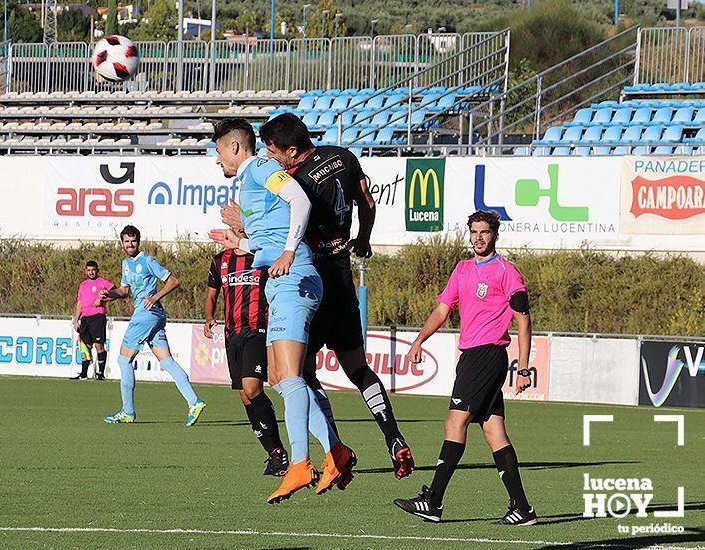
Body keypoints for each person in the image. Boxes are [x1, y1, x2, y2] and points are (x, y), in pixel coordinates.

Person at [220, 112, 415, 479]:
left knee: (295, 374)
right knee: (358, 368)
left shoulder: (296, 179)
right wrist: (363, 239)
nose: (270, 156)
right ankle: (393, 436)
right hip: (342, 277)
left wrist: (244, 225)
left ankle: (334, 449)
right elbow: (367, 204)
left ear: (292, 151)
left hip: (308, 278)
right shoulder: (343, 156)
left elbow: (290, 220)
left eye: (274, 151)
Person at [209, 118, 355, 504]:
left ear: (236, 148)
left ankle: (300, 464)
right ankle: (336, 452)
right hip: (280, 281)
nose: (218, 158)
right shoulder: (251, 181)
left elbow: (300, 200)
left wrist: (290, 249)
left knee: (289, 379)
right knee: (281, 377)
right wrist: (241, 242)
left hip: (295, 277)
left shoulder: (258, 168)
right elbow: (269, 238)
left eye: (220, 150)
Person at [394, 210, 537, 525]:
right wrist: (418, 341)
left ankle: (433, 500)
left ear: (495, 235)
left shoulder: (506, 272)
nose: (478, 238)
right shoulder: (461, 270)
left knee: (454, 423)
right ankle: (523, 508)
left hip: (488, 355)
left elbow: (524, 321)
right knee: (493, 430)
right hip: (471, 357)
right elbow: (442, 310)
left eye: (484, 232)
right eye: (474, 232)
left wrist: (524, 368)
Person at [102, 225, 207, 426]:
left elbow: (173, 281)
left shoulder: (147, 261)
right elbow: (124, 291)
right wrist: (110, 294)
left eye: (133, 241)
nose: (130, 244)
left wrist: (155, 296)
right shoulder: (125, 263)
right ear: (122, 243)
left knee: (124, 360)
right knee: (166, 361)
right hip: (154, 316)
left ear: (138, 241)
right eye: (126, 241)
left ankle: (127, 411)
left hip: (146, 314)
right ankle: (194, 402)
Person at [205, 248, 289, 476]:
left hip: (257, 329)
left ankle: (281, 454)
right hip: (232, 334)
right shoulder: (220, 260)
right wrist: (209, 317)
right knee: (244, 394)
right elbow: (212, 295)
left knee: (253, 388)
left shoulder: (262, 256)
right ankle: (274, 452)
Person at [71, 260, 116, 380]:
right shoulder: (83, 284)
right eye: (89, 270)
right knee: (85, 346)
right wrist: (76, 320)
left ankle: (100, 374)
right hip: (85, 318)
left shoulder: (102, 282)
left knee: (99, 345)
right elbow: (79, 303)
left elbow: (116, 292)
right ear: (86, 271)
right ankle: (83, 374)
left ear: (97, 270)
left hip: (97, 317)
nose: (91, 272)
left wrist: (102, 300)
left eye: (93, 270)